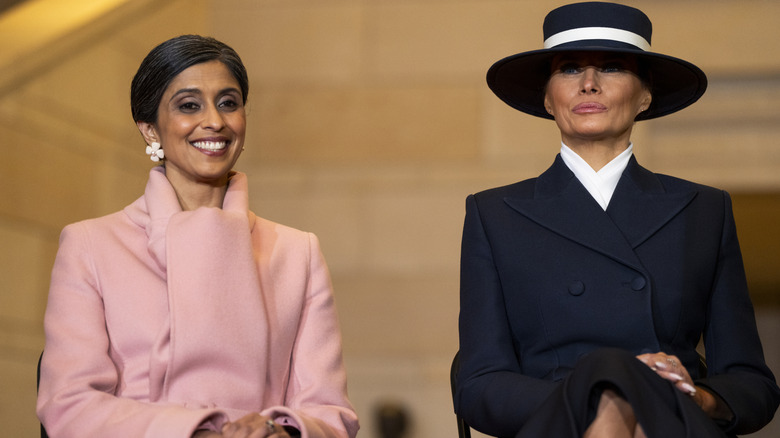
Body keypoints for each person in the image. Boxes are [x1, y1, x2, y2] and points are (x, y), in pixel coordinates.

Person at [454, 3, 780, 438]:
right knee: (610, 372)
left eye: (611, 67)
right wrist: (600, 391)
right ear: (549, 99)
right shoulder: (492, 214)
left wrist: (689, 393)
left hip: (673, 422)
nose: (589, 84)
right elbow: (479, 387)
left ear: (646, 95)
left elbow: (752, 385)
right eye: (569, 70)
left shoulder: (705, 209)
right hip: (555, 423)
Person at [36, 35, 360, 438]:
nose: (215, 121)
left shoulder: (298, 252)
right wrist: (193, 431)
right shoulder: (90, 245)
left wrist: (285, 432)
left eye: (229, 102)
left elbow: (330, 411)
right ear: (150, 129)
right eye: (189, 105)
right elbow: (69, 405)